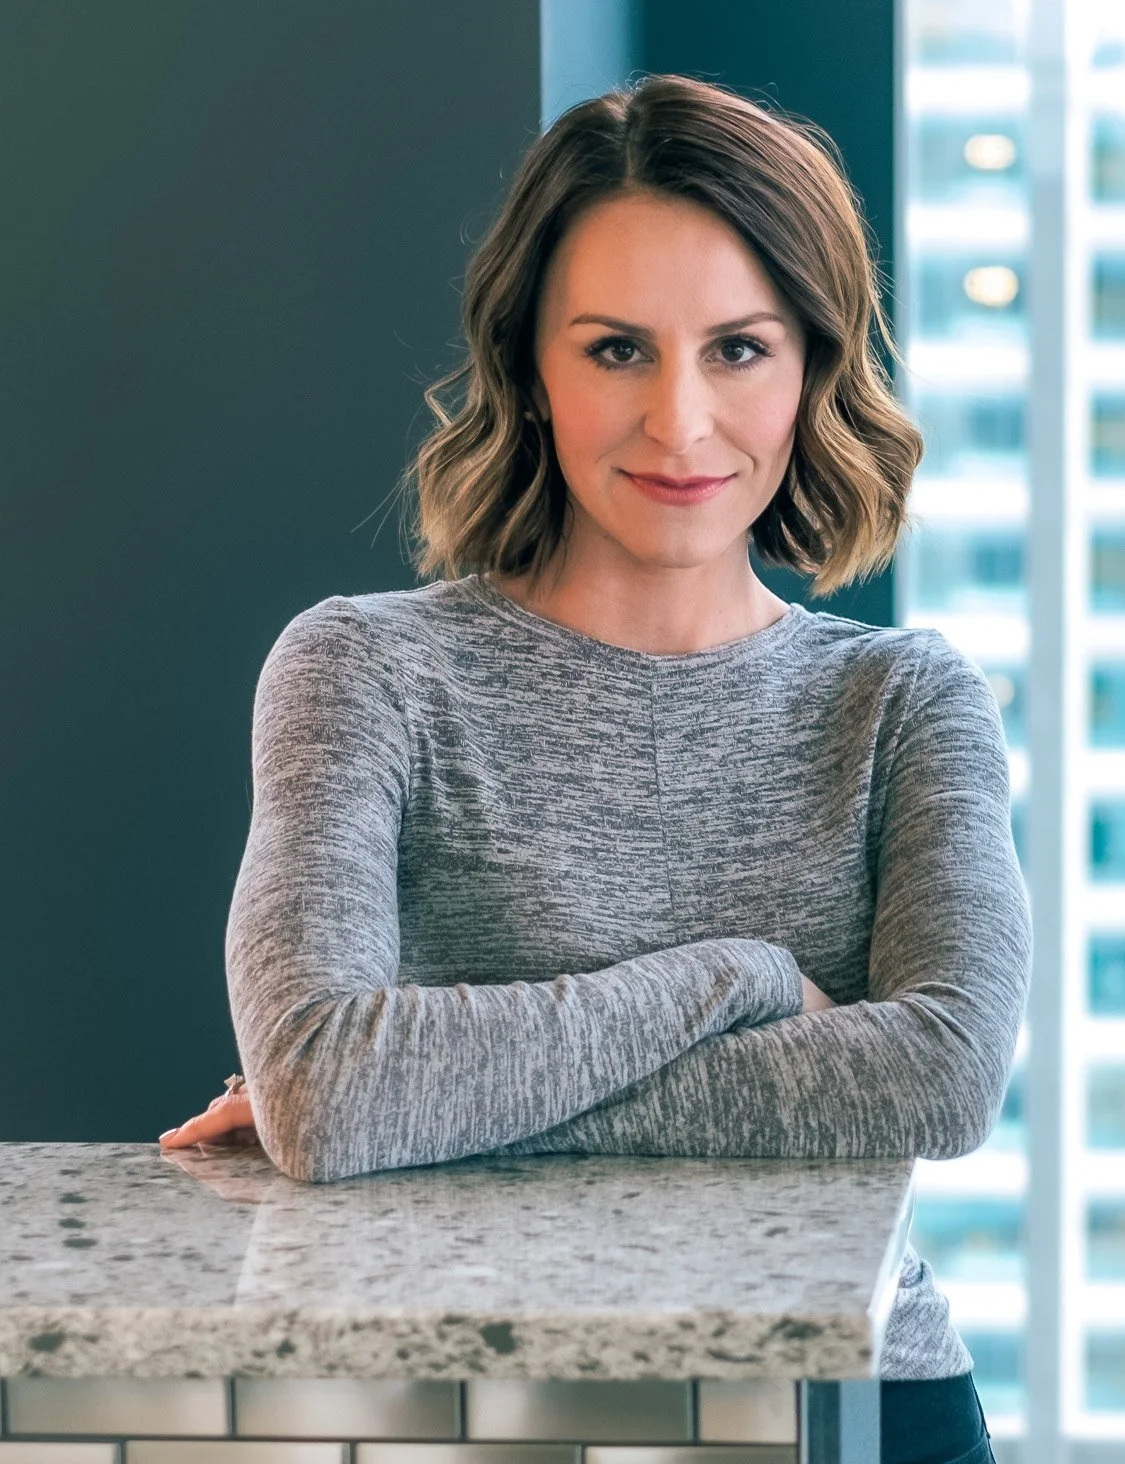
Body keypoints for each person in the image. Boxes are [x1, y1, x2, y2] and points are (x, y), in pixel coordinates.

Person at [159, 73, 1031, 1464]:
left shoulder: (903, 702)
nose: (681, 424)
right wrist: (739, 977)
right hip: (466, 1414)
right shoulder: (363, 672)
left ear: (811, 365)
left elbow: (939, 1077)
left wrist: (438, 1098)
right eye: (617, 350)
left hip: (859, 1409)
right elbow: (330, 1093)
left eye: (738, 349)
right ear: (531, 368)